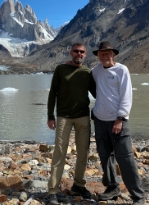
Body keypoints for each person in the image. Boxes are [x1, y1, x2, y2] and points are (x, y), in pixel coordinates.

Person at [91, 41, 145, 205]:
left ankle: (138, 196)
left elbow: (126, 96)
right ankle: (112, 187)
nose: (105, 56)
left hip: (117, 121)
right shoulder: (95, 71)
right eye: (102, 53)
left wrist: (120, 118)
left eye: (108, 53)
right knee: (105, 156)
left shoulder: (122, 70)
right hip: (100, 120)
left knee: (125, 158)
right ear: (98, 56)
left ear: (113, 55)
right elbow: (91, 86)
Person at [47, 42, 96, 205]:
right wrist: (50, 116)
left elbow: (97, 93)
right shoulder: (61, 69)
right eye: (76, 51)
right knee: (60, 152)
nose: (79, 54)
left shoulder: (87, 72)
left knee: (83, 153)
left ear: (85, 54)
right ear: (70, 53)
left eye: (82, 52)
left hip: (83, 116)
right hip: (64, 117)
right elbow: (53, 92)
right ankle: (53, 190)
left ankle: (78, 185)